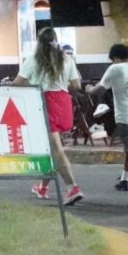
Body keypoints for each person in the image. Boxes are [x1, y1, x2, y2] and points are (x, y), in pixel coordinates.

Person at [14, 26, 84, 205]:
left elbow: (18, 82)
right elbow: (76, 85)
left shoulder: (34, 60)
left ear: (39, 42)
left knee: (56, 148)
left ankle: (72, 187)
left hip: (44, 103)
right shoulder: (67, 59)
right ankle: (43, 187)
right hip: (63, 103)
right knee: (51, 147)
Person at [92, 43, 128, 191]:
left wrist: (89, 89)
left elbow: (100, 89)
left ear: (114, 57)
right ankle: (124, 179)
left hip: (125, 115)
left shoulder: (115, 68)